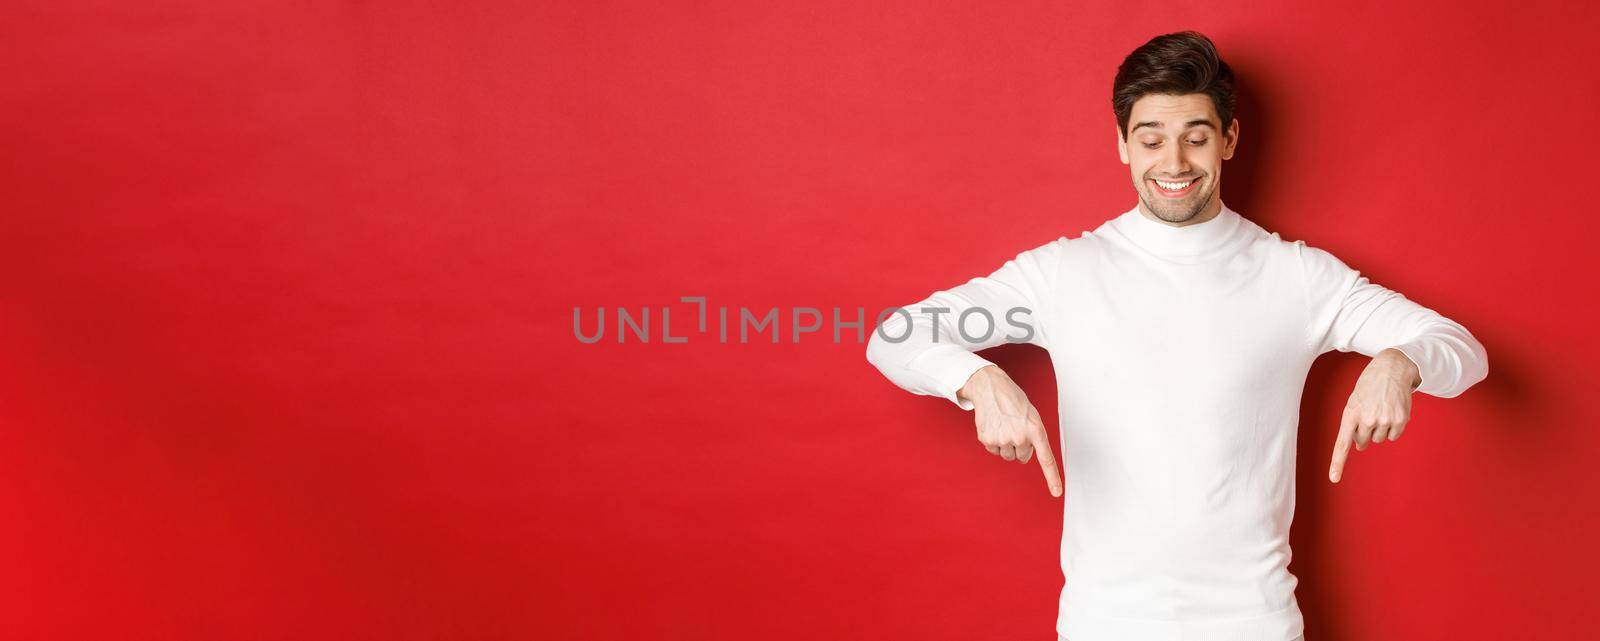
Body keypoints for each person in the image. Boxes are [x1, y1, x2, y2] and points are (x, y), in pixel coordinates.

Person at [863, 30, 1488, 641]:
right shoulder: (1062, 274)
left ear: (1228, 140)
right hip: (1103, 623)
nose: (1174, 163)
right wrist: (976, 378)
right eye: (1151, 139)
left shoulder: (1297, 276)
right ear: (1123, 146)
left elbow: (1463, 351)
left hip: (1256, 622)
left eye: (1196, 138)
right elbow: (896, 333)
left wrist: (1399, 361)